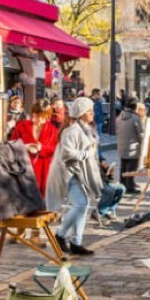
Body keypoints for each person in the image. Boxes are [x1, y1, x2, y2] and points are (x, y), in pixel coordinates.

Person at [46, 97, 104, 255]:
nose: (92, 113)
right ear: (81, 113)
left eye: (92, 110)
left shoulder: (85, 128)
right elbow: (67, 154)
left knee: (83, 205)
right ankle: (61, 234)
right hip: (69, 173)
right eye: (89, 111)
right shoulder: (72, 130)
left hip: (79, 173)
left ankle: (76, 241)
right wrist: (87, 153)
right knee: (81, 204)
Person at [10, 100, 58, 199]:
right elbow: (11, 145)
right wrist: (25, 147)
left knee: (42, 201)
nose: (38, 119)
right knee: (24, 199)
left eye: (42, 117)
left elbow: (56, 149)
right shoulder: (22, 126)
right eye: (36, 115)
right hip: (24, 168)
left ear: (47, 116)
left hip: (44, 170)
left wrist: (42, 148)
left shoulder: (52, 130)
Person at [116, 97, 144, 194]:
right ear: (135, 107)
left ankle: (122, 185)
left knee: (123, 167)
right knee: (131, 168)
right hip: (132, 148)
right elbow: (140, 134)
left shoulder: (119, 117)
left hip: (121, 146)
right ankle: (130, 187)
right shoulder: (135, 118)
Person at [92, 157, 126, 223]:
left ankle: (109, 210)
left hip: (104, 179)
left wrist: (106, 165)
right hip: (93, 180)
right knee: (109, 190)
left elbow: (101, 158)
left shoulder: (95, 149)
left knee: (121, 189)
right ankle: (100, 212)